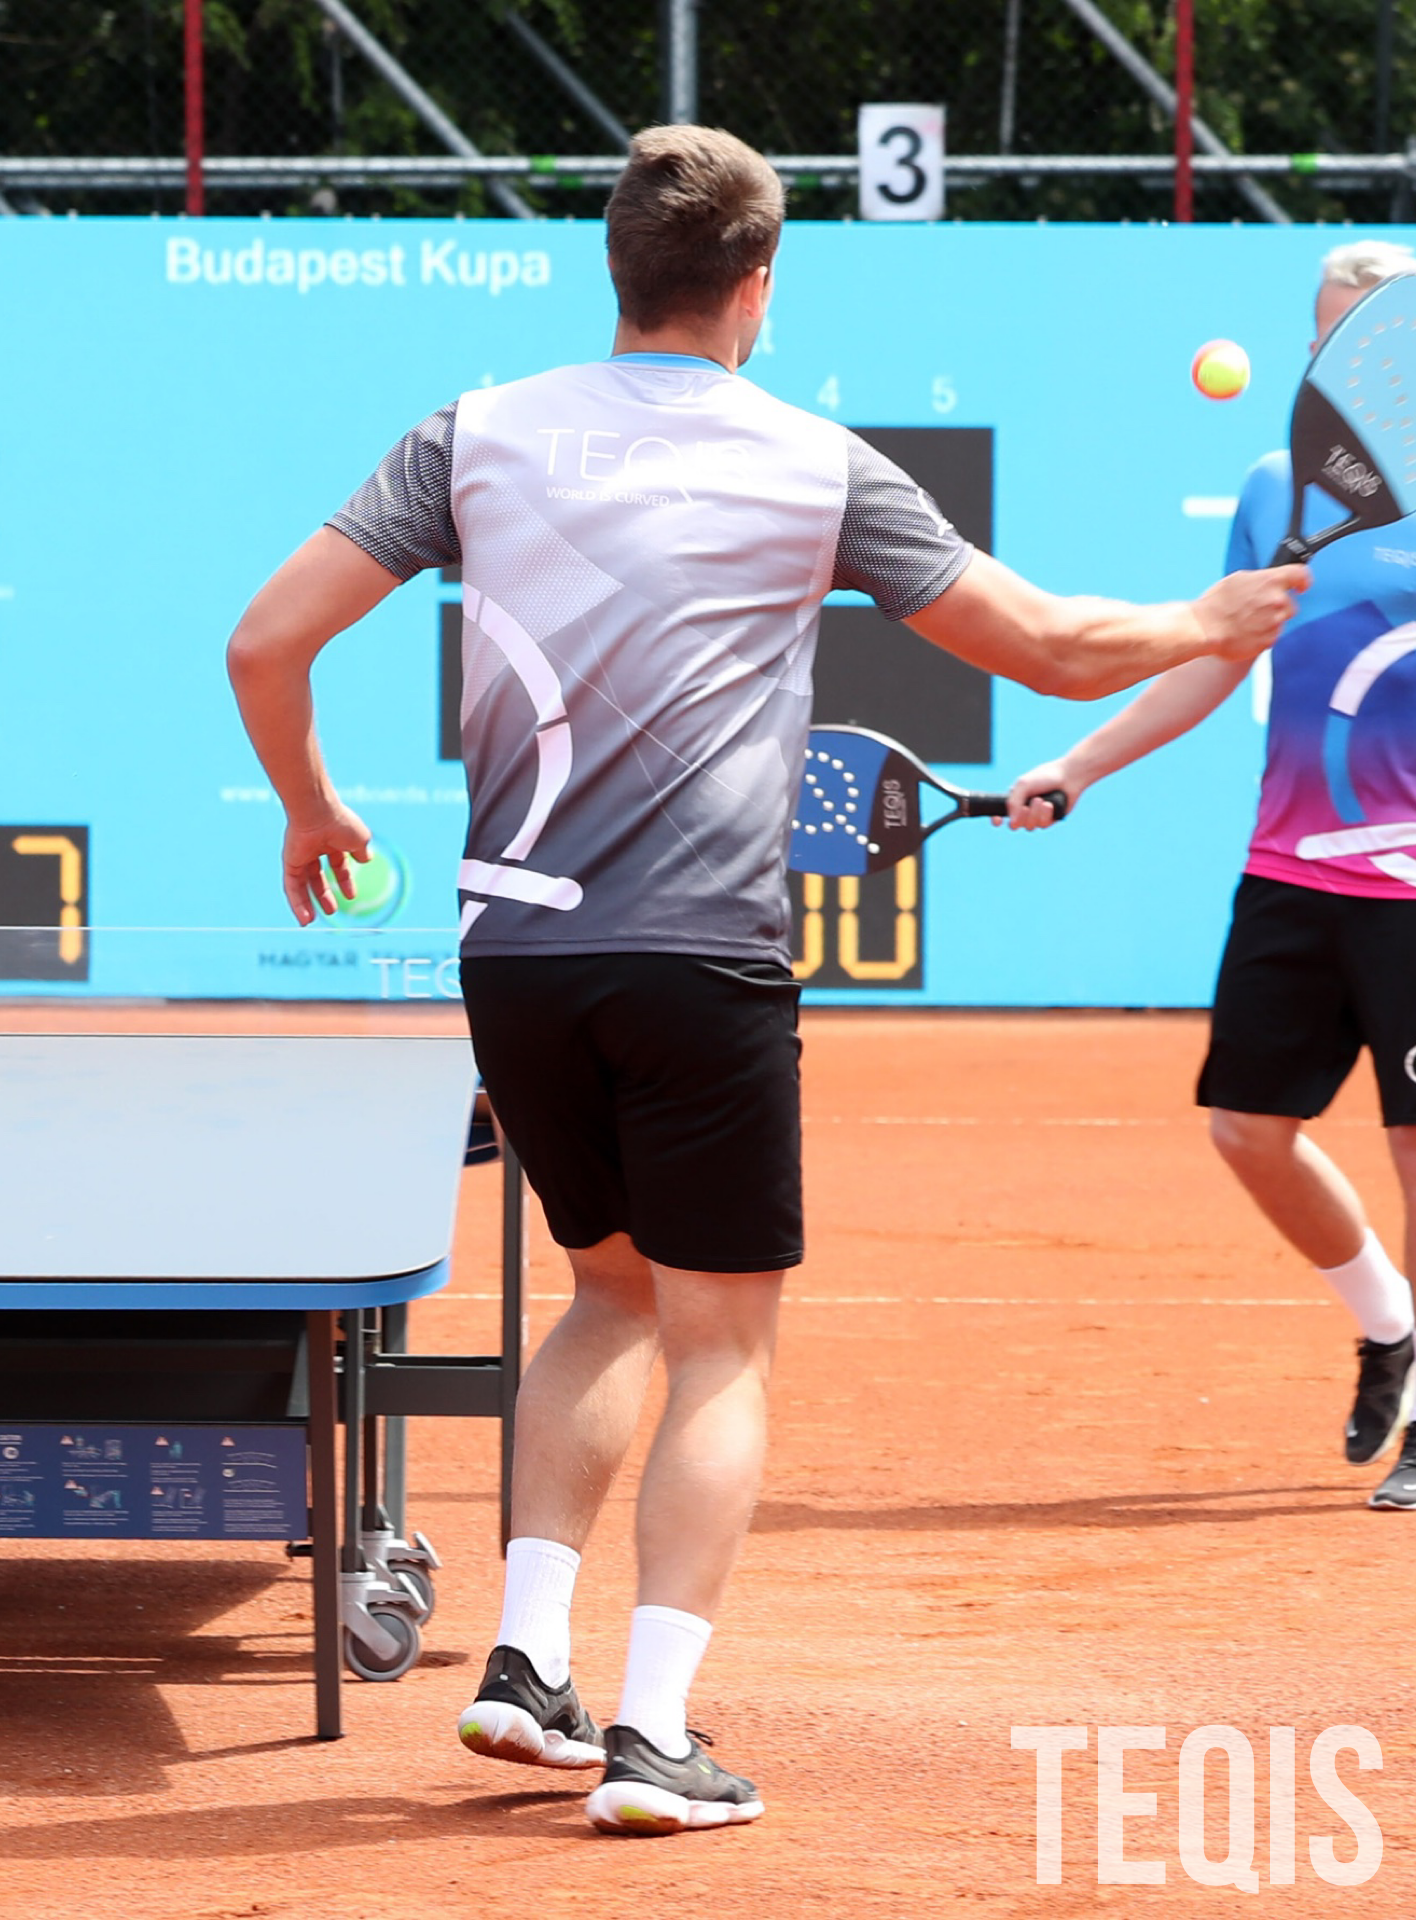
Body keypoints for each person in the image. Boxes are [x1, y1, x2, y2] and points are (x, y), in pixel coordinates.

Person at [224, 126, 1302, 1836]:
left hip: (517, 954)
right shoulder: (814, 461)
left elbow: (265, 640)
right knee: (723, 1341)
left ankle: (526, 1666)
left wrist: (310, 804)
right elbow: (1044, 648)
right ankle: (652, 1734)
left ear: (618, 267)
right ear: (757, 284)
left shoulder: (472, 434)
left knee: (608, 1294)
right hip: (704, 960)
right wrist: (1208, 623)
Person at [1006, 240, 1416, 1510]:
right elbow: (1215, 658)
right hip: (1290, 870)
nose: (1342, 359)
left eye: (1371, 337)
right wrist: (1079, 764)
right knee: (1247, 1130)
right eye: (1329, 337)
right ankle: (1389, 1326)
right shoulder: (1276, 487)